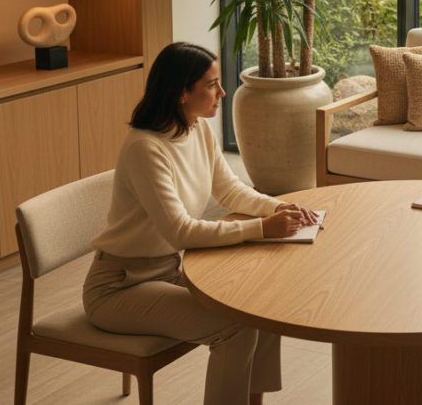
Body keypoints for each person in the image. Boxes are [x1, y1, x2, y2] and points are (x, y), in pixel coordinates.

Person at [83, 42, 318, 405]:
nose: (221, 92)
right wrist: (261, 228)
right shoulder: (145, 149)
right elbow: (181, 231)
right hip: (119, 287)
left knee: (261, 307)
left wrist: (278, 207)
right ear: (181, 93)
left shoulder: (196, 129)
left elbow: (231, 192)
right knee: (233, 327)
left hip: (167, 271)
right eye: (211, 85)